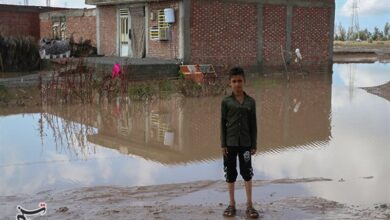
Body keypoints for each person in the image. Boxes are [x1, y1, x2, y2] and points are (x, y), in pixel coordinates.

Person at [220, 67, 259, 218]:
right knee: (230, 174)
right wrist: (223, 144)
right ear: (230, 83)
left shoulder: (251, 102)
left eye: (240, 81)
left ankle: (250, 205)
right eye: (234, 81)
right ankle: (232, 204)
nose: (237, 84)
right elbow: (222, 124)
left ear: (244, 82)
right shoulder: (226, 102)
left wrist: (253, 144)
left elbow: (253, 125)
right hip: (229, 144)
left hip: (245, 145)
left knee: (247, 173)